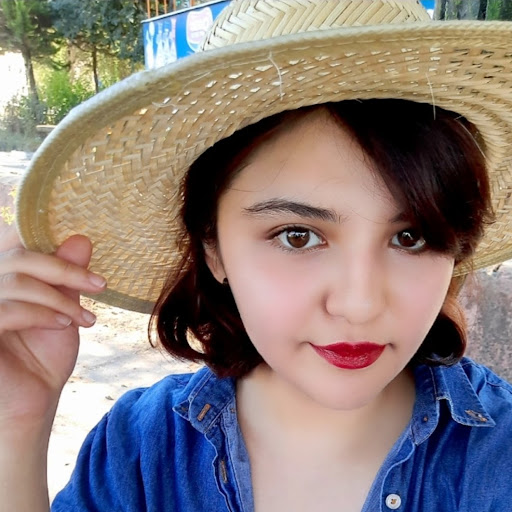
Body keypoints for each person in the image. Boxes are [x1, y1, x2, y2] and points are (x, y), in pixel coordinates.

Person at [2, 0, 512, 510]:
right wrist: (16, 424)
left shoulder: (499, 457)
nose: (358, 305)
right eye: (297, 236)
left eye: (411, 237)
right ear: (213, 247)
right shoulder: (139, 454)